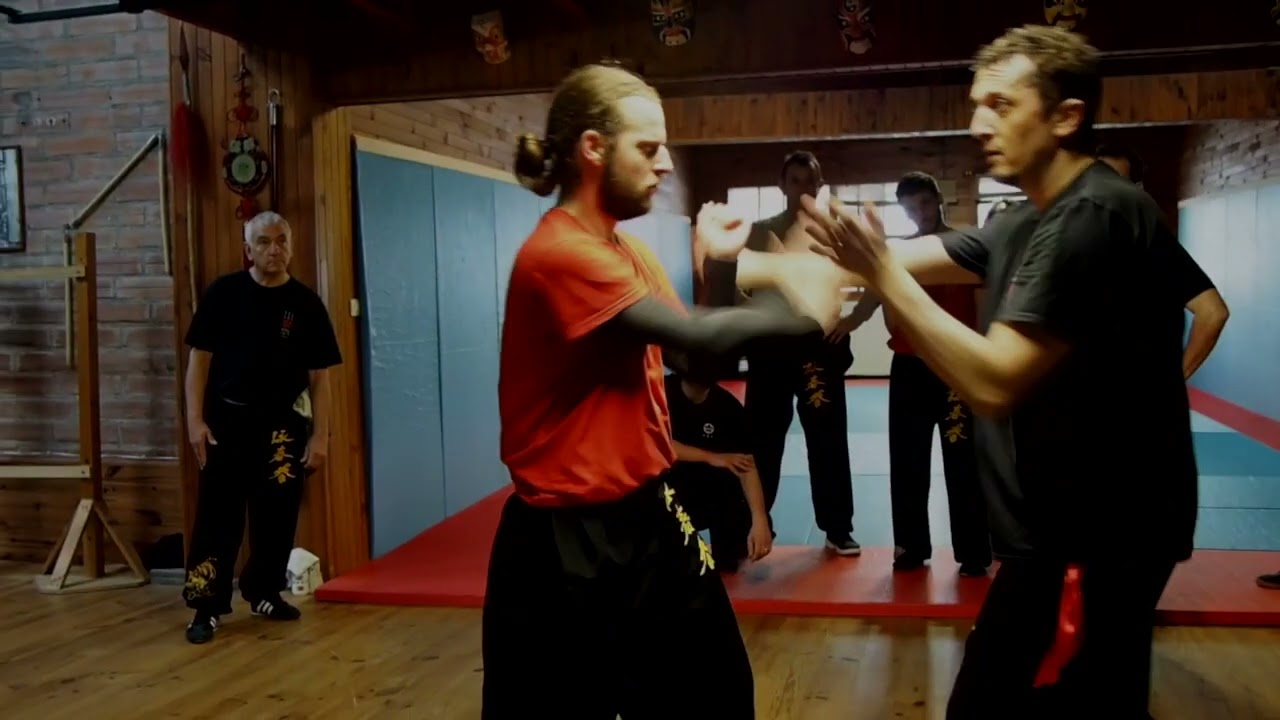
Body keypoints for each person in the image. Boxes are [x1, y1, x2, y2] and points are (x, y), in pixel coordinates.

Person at [791, 25, 1199, 718]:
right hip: (1067, 533)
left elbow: (991, 380)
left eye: (1002, 105)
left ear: (1067, 116)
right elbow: (876, 263)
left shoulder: (1093, 216)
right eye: (977, 103)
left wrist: (881, 271)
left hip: (1096, 535)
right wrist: (735, 261)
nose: (979, 123)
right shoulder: (1024, 221)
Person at [485, 62, 847, 720]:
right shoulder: (561, 254)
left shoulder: (626, 251)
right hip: (568, 541)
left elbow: (689, 354)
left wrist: (725, 263)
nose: (665, 164)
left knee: (718, 693)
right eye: (648, 147)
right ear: (593, 148)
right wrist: (807, 315)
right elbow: (707, 340)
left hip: (655, 512)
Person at [180, 211, 342, 645]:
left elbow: (321, 378)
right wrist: (194, 421)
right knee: (218, 517)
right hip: (225, 423)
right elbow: (198, 361)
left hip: (282, 426)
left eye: (282, 240)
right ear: (248, 249)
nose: (275, 249)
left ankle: (263, 591)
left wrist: (321, 436)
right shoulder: (224, 294)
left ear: (291, 245)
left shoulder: (306, 304)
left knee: (277, 515)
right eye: (265, 242)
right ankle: (206, 605)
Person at [841, 172, 991, 576]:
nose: (919, 215)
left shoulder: (965, 246)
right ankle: (910, 546)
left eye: (924, 204)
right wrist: (845, 323)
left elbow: (986, 302)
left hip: (956, 366)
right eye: (910, 209)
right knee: (907, 460)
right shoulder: (899, 253)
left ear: (938, 199)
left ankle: (974, 550)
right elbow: (873, 295)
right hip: (909, 366)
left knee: (963, 461)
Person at [739, 150, 860, 557]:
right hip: (770, 346)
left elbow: (867, 276)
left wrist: (853, 319)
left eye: (810, 181)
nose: (802, 188)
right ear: (782, 185)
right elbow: (738, 285)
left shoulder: (834, 232)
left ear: (820, 185)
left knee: (827, 441)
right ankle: (752, 524)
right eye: (795, 180)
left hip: (817, 347)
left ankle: (837, 527)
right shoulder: (758, 231)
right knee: (762, 440)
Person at [1098, 144, 1229, 379]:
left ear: (1136, 190)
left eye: (1117, 185)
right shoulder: (1069, 242)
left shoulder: (1151, 247)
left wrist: (1173, 383)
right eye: (1099, 182)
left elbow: (1213, 313)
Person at [665, 356, 773, 573]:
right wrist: (713, 457)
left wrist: (760, 520)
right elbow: (658, 445)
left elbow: (747, 465)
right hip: (668, 490)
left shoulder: (728, 407)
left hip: (710, 491)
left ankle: (731, 545)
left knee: (731, 558)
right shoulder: (660, 394)